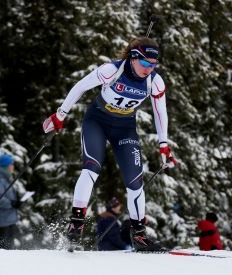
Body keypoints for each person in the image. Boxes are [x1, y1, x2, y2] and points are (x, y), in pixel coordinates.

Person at [43, 37, 177, 251]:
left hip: (125, 128)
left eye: (153, 65)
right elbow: (80, 87)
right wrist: (60, 115)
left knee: (135, 181)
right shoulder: (111, 70)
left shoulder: (155, 81)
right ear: (133, 58)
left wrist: (163, 144)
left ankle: (139, 237)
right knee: (91, 169)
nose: (148, 69)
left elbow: (160, 112)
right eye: (144, 63)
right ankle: (75, 228)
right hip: (97, 122)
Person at [0, 154, 21, 249]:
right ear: (6, 166)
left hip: (8, 220)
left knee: (8, 251)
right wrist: (11, 203)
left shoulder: (4, 180)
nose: (13, 166)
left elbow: (6, 197)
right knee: (2, 251)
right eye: (11, 164)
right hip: (1, 222)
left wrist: (16, 202)